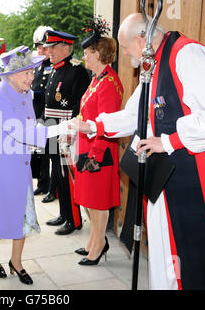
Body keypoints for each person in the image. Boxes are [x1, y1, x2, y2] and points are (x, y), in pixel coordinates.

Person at [72, 13, 205, 289]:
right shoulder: (154, 65)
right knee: (167, 257)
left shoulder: (189, 56)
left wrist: (169, 141)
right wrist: (93, 126)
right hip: (166, 180)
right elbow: (134, 114)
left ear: (140, 39)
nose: (123, 54)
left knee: (195, 260)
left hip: (197, 181)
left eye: (124, 47)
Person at [0, 45, 72, 285]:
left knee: (22, 212)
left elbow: (31, 126)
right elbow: (22, 133)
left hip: (19, 162)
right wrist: (61, 128)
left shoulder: (24, 92)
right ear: (11, 74)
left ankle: (16, 261)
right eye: (26, 73)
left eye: (32, 71)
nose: (31, 77)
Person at [72, 18, 122, 266]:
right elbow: (88, 113)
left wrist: (95, 154)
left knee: (99, 201)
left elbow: (107, 124)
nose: (84, 58)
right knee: (89, 199)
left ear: (99, 54)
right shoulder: (97, 78)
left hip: (99, 150)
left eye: (87, 53)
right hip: (87, 145)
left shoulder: (110, 83)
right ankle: (94, 240)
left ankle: (99, 244)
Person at [43, 30, 91, 235]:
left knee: (66, 175)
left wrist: (69, 132)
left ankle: (74, 219)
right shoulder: (54, 69)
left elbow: (79, 106)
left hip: (65, 130)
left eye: (53, 47)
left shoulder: (77, 71)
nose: (49, 51)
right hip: (51, 127)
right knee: (57, 173)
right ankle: (64, 213)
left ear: (66, 47)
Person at [30, 25, 56, 199]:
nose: (40, 50)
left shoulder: (53, 67)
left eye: (43, 47)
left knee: (51, 154)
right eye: (39, 47)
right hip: (37, 115)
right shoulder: (38, 67)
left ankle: (52, 190)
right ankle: (42, 183)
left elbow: (47, 91)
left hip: (50, 117)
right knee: (40, 153)